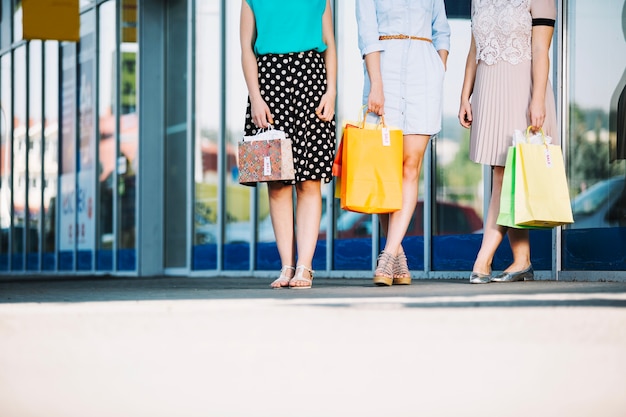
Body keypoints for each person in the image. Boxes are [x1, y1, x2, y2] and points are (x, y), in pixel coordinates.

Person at [458, 0, 558, 284]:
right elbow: (474, 49)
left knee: (504, 176)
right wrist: (465, 95)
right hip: (489, 90)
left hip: (522, 90)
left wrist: (537, 100)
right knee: (504, 175)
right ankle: (522, 260)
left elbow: (541, 50)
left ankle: (483, 259)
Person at [240, 0, 336, 289]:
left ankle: (305, 267)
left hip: (312, 81)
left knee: (310, 181)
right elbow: (246, 47)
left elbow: (329, 43)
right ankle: (286, 266)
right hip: (269, 84)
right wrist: (255, 97)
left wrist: (331, 92)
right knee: (277, 182)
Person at [356, 0, 450, 286]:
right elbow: (367, 33)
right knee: (387, 172)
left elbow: (442, 31)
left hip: (424, 75)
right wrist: (376, 83)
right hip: (384, 74)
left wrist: (438, 69)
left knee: (410, 166)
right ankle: (398, 256)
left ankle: (387, 256)